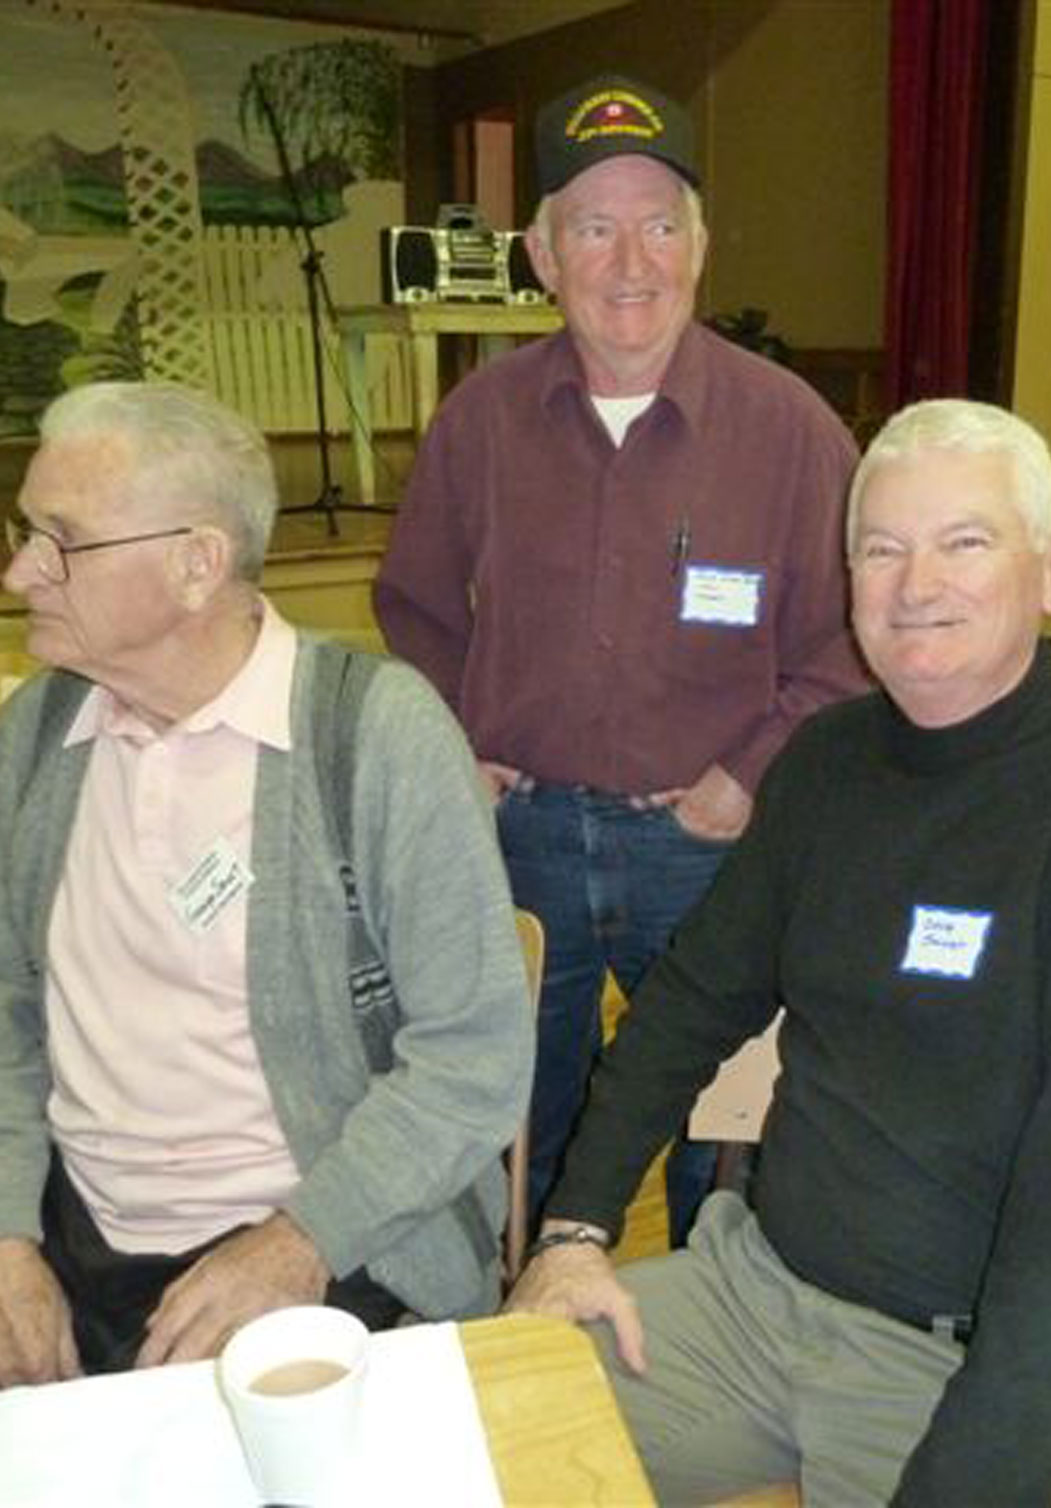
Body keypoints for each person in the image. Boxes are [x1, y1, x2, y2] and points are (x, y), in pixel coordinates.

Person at [0, 382, 534, 1433]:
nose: (15, 572)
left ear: (197, 563)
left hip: (312, 1221)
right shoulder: (34, 737)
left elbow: (476, 1056)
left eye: (61, 541)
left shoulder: (376, 739)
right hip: (67, 1207)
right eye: (25, 532)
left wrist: (297, 1241)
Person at [508, 399, 1051, 1506]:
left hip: (964, 1362)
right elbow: (693, 1002)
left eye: (965, 542)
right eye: (880, 549)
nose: (914, 583)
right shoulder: (825, 761)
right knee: (467, 1425)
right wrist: (573, 1227)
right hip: (756, 1294)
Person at [373, 74, 867, 1246]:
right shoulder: (480, 423)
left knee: (722, 1118)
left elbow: (851, 637)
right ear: (543, 252)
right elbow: (415, 605)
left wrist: (749, 771)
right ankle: (528, 1331)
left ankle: (709, 1321)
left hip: (707, 849)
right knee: (514, 1112)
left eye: (659, 223)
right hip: (521, 840)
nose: (629, 259)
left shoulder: (792, 430)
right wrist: (455, 743)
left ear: (700, 246)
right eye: (594, 226)